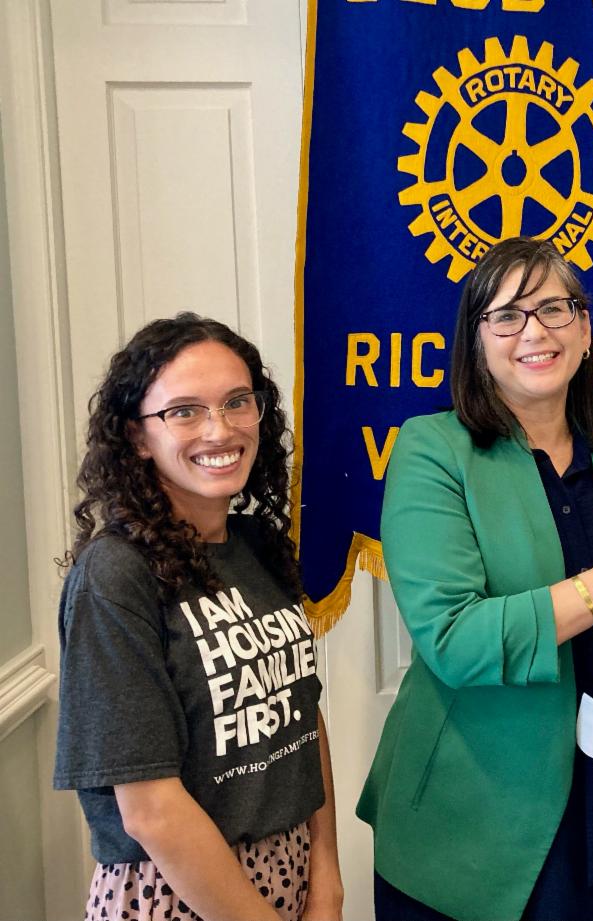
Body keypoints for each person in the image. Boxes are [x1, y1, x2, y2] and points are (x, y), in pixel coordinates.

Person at [357, 237, 593, 921]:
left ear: (585, 330)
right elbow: (454, 640)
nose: (534, 331)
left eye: (554, 309)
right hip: (465, 826)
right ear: (476, 341)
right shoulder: (431, 449)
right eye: (506, 316)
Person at [54, 314, 344, 921]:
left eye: (237, 402)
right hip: (177, 891)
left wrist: (328, 876)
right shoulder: (115, 575)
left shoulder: (258, 545)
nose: (220, 428)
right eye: (184, 411)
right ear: (137, 436)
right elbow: (151, 810)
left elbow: (300, 717)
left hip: (290, 869)